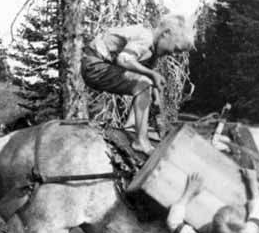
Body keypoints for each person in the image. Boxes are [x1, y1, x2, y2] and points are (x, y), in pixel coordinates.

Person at [82, 14, 194, 154]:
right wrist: (151, 75)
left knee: (144, 84)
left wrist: (157, 99)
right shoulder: (145, 37)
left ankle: (133, 126)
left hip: (102, 67)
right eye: (176, 48)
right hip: (94, 65)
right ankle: (141, 141)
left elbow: (148, 80)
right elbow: (124, 59)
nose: (173, 54)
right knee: (142, 83)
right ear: (166, 33)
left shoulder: (152, 52)